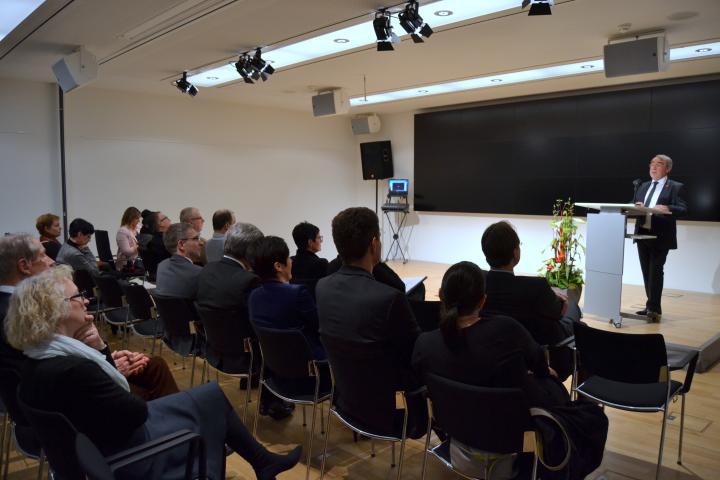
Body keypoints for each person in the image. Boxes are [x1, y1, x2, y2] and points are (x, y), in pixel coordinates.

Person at [6, 266, 301, 480]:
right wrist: (105, 362)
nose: (85, 300)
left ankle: (262, 461)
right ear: (55, 311)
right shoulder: (73, 368)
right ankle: (257, 460)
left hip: (100, 450)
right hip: (131, 453)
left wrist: (99, 349)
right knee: (209, 399)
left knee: (209, 394)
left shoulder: (40, 359)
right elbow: (135, 412)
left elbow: (101, 406)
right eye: (76, 297)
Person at [412, 261, 607, 479]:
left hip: (461, 434)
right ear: (483, 300)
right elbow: (540, 366)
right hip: (514, 437)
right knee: (592, 417)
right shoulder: (506, 331)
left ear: (440, 296)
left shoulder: (425, 345)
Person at [0, 234, 177, 401]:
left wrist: (102, 359)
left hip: (77, 376)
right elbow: (46, 376)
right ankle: (175, 427)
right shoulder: (15, 313)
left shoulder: (18, 304)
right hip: (72, 397)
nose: (51, 261)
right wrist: (104, 368)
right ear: (24, 266)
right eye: (43, 255)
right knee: (155, 375)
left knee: (154, 365)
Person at [316, 207, 426, 438]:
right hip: (394, 412)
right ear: (374, 244)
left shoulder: (322, 287)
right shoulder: (388, 298)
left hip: (347, 400)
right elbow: (417, 354)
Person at [196, 224, 294, 420]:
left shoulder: (206, 270)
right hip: (245, 357)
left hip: (214, 350)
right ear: (251, 252)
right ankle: (273, 403)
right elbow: (267, 323)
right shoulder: (248, 281)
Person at [481, 221, 580, 381]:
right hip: (544, 356)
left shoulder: (479, 285)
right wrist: (561, 301)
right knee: (575, 314)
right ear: (515, 253)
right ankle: (583, 401)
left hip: (497, 358)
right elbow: (558, 313)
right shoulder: (535, 287)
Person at [249, 236, 324, 359]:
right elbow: (319, 327)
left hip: (277, 366)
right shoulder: (298, 293)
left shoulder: (254, 297)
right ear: (278, 266)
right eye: (288, 257)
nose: (291, 261)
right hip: (310, 365)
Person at [633, 154, 687, 321]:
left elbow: (683, 209)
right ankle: (651, 305)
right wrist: (635, 207)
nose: (653, 167)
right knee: (646, 273)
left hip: (660, 236)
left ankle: (654, 309)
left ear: (667, 169)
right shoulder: (643, 186)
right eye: (652, 164)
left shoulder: (675, 187)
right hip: (642, 233)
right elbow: (632, 204)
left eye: (659, 164)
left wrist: (667, 207)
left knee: (655, 272)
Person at [154, 223, 203, 299]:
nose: (201, 243)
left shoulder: (162, 266)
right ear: (181, 245)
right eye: (196, 238)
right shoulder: (199, 273)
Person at [138, 211, 171, 281]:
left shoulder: (154, 240)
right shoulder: (164, 242)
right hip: (165, 279)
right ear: (160, 224)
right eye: (166, 218)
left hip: (155, 278)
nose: (169, 219)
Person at [116, 207, 142, 271]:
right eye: (137, 218)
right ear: (130, 218)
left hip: (138, 260)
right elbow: (127, 252)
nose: (139, 221)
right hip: (127, 264)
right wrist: (140, 246)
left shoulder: (138, 228)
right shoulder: (122, 231)